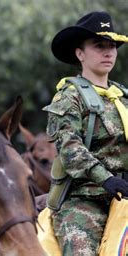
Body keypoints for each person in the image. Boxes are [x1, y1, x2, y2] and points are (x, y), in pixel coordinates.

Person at [43, 11, 128, 255]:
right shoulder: (68, 98)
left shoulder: (124, 98)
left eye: (112, 46)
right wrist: (107, 178)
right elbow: (70, 150)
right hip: (85, 201)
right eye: (99, 45)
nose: (108, 52)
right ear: (80, 53)